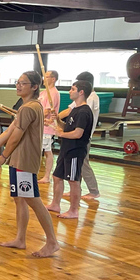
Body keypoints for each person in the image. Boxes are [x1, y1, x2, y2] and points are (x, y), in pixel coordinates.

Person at [0, 71, 60, 258]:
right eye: (17, 82)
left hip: (25, 161)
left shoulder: (30, 108)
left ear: (35, 86)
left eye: (23, 83)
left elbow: (15, 137)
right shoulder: (25, 107)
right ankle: (20, 239)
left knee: (32, 200)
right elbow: (7, 133)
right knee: (19, 199)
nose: (18, 86)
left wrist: (3, 156)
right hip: (18, 159)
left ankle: (52, 242)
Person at [47, 80, 94, 219]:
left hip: (75, 150)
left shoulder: (84, 112)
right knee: (57, 176)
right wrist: (58, 121)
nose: (70, 91)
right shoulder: (75, 110)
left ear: (81, 92)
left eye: (72, 89)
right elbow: (67, 128)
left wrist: (60, 134)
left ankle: (74, 210)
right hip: (66, 149)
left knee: (73, 180)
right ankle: (55, 204)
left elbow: (78, 133)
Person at [58, 71, 101, 200]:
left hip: (83, 138)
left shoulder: (90, 99)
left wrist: (56, 118)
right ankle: (75, 189)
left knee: (83, 164)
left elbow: (70, 110)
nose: (71, 91)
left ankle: (94, 191)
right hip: (82, 136)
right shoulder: (90, 97)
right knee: (77, 166)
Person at [38, 71, 60, 183]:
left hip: (47, 126)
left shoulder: (54, 93)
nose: (44, 79)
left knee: (47, 151)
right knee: (41, 150)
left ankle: (47, 176)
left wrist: (37, 117)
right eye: (44, 77)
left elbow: (47, 110)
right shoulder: (43, 93)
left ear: (53, 79)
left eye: (47, 77)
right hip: (40, 124)